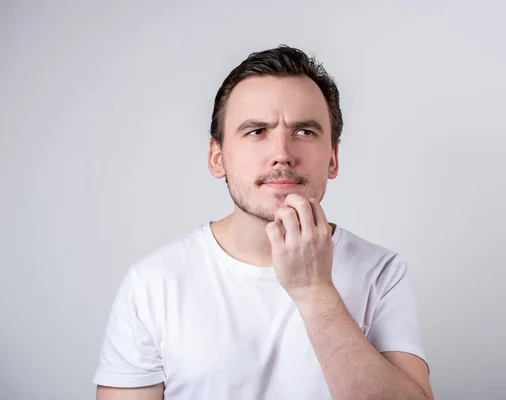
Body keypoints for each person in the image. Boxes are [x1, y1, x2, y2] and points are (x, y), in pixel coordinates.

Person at [93, 45, 434, 400]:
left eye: (304, 131)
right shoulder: (153, 282)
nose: (282, 153)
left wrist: (314, 291)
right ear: (217, 158)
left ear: (332, 159)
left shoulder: (381, 272)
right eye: (257, 131)